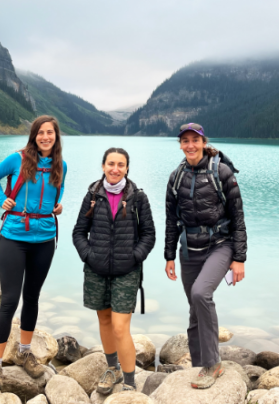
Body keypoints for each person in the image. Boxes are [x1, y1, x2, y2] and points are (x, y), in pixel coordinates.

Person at [0, 115, 67, 390]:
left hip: (45, 238)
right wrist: (1, 200)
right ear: (34, 136)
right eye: (41, 133)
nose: (45, 137)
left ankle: (24, 350)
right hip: (14, 236)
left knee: (32, 297)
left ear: (56, 137)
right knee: (9, 301)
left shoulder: (61, 165)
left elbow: (59, 190)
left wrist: (58, 206)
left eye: (50, 133)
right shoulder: (17, 159)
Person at [164, 123, 247, 389]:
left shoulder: (221, 172)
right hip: (189, 248)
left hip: (220, 245)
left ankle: (213, 364)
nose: (190, 145)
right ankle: (201, 364)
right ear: (180, 144)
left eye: (195, 140)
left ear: (203, 142)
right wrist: (169, 256)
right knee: (195, 306)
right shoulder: (176, 176)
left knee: (201, 293)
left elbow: (238, 217)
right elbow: (170, 221)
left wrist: (239, 258)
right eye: (185, 141)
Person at [73, 147, 155, 393]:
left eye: (120, 164)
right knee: (105, 320)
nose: (115, 169)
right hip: (96, 269)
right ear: (103, 166)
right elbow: (79, 231)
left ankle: (129, 382)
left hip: (126, 272)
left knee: (120, 327)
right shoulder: (92, 195)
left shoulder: (138, 197)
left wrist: (134, 257)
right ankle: (113, 369)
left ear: (127, 168)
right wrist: (89, 255)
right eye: (111, 164)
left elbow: (149, 235)